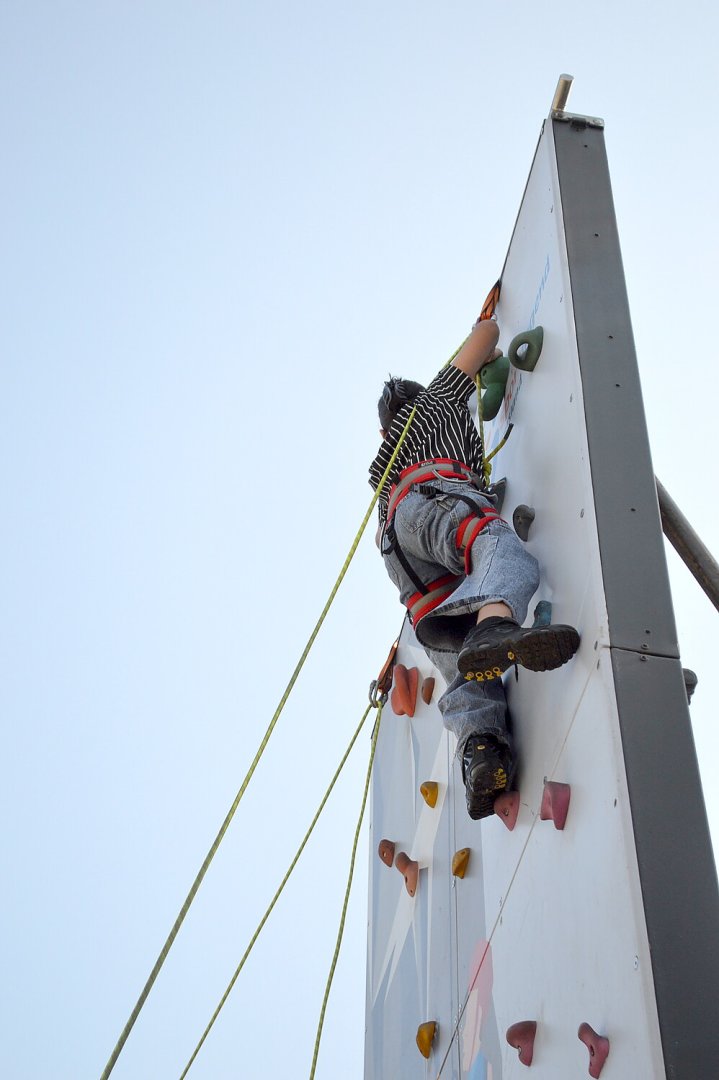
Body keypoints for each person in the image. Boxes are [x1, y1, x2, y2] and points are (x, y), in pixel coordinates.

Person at [369, 318, 580, 819]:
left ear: (382, 428)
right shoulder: (434, 405)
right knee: (491, 541)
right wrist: (482, 343)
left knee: (455, 660)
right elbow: (486, 333)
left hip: (400, 556)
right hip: (430, 499)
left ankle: (481, 754)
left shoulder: (385, 457)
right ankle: (494, 623)